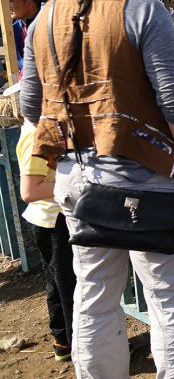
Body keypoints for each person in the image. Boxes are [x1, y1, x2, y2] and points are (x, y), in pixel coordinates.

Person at [19, 0, 174, 377]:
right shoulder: (144, 9)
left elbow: (30, 108)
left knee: (94, 296)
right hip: (148, 181)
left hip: (77, 183)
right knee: (173, 302)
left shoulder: (43, 20)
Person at [16, 115, 76, 362]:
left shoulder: (34, 128)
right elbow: (29, 191)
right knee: (68, 285)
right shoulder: (36, 134)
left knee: (56, 282)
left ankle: (62, 341)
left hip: (49, 218)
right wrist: (74, 183)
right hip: (53, 219)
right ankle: (80, 344)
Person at [8, 0, 42, 71]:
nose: (7, 6)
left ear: (29, 3)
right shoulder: (13, 29)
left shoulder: (48, 23)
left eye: (10, 1)